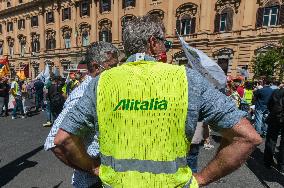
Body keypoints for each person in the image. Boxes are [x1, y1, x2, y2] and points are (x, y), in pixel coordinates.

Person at [54, 15, 261, 187]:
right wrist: (202, 178)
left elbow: (62, 140)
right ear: (153, 43)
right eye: (165, 42)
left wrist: (92, 168)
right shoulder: (186, 79)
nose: (167, 47)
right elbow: (247, 137)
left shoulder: (101, 82)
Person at [44, 41, 119, 187]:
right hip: (92, 182)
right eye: (113, 66)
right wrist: (93, 168)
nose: (118, 70)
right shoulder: (83, 94)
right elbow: (55, 142)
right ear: (97, 67)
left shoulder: (101, 89)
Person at [264, 87, 284, 172]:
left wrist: (273, 112)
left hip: (275, 117)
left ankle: (268, 162)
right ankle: (281, 165)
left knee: (271, 139)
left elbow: (269, 105)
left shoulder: (277, 92)